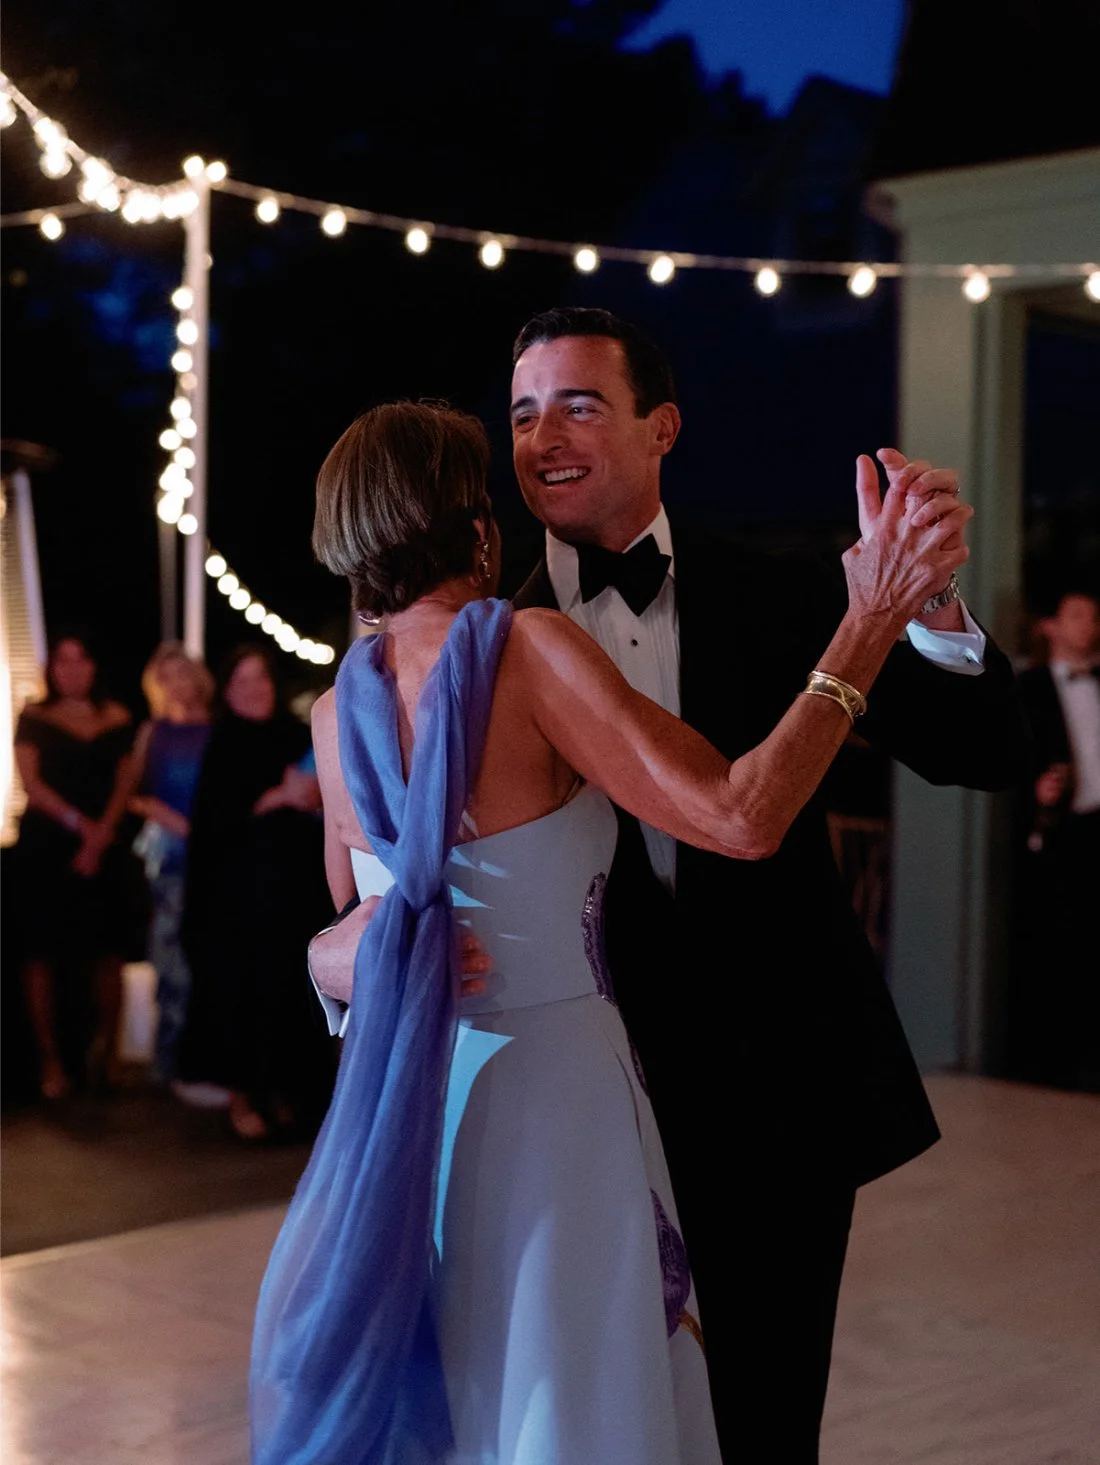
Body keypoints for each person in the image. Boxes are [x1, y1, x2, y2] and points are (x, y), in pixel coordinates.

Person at [310, 310, 1032, 1463]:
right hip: (580, 1104)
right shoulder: (497, 637)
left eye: (577, 405)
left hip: (778, 1094)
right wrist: (331, 952)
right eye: (523, 415)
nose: (543, 437)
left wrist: (927, 604)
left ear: (662, 428)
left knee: (758, 1425)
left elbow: (986, 749)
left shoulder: (781, 589)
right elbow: (367, 899)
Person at [176, 644, 335, 1141]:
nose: (254, 690)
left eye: (261, 679)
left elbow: (326, 800)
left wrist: (308, 798)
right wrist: (278, 796)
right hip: (237, 901)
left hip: (296, 891)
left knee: (292, 992)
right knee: (243, 994)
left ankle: (290, 1095)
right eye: (241, 681)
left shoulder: (297, 734)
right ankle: (244, 1097)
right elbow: (213, 826)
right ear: (227, 691)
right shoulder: (224, 743)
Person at [12, 632, 137, 1099]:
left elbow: (126, 781)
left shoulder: (117, 717)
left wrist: (100, 834)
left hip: (105, 845)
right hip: (46, 847)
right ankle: (50, 1060)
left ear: (94, 667)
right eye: (63, 661)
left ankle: (107, 1055)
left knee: (109, 950)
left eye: (81, 660)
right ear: (52, 669)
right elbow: (32, 784)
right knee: (41, 953)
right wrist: (80, 826)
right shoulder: (35, 717)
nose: (72, 669)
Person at [1010, 590, 1100, 1089]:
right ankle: (1049, 1062)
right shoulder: (1029, 687)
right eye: (1079, 615)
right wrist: (1036, 790)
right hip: (1059, 833)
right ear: (1051, 627)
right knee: (1055, 946)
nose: (1090, 624)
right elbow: (1009, 761)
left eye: (1094, 616)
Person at [125, 641, 214, 1087]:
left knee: (209, 953)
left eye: (182, 674)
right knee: (171, 955)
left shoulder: (217, 730)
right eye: (166, 678)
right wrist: (163, 815)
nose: (176, 685)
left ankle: (205, 1054)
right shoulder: (152, 732)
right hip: (169, 856)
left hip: (212, 853)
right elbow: (131, 793)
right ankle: (168, 1059)